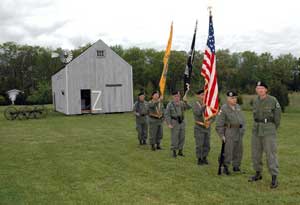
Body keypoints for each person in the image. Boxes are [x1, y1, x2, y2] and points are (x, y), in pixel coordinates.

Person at [248, 81, 281, 189]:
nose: (260, 90)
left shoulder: (273, 100)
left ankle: (274, 177)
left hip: (268, 130)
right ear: (256, 90)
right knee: (255, 153)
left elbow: (277, 117)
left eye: (262, 88)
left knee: (270, 154)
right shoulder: (255, 100)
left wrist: (272, 128)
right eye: (258, 88)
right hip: (256, 129)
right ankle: (258, 173)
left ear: (266, 90)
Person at [215, 91, 246, 175]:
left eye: (235, 98)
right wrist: (222, 135)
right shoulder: (224, 109)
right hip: (229, 131)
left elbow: (242, 119)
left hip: (238, 131)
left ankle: (236, 166)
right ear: (227, 98)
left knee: (238, 150)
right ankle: (225, 166)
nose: (234, 100)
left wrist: (243, 129)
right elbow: (219, 124)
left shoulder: (238, 107)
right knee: (228, 150)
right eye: (232, 98)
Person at [165, 90, 191, 158]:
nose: (177, 98)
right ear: (173, 97)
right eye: (175, 96)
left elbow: (189, 107)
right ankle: (174, 151)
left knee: (182, 136)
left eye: (178, 96)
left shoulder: (182, 103)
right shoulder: (170, 104)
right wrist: (169, 123)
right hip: (174, 122)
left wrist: (186, 101)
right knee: (175, 137)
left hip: (182, 121)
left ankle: (180, 151)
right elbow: (167, 114)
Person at [193, 89, 214, 165]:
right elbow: (198, 113)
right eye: (202, 95)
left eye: (205, 94)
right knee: (199, 144)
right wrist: (203, 106)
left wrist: (210, 122)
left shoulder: (209, 104)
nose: (204, 96)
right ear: (198, 96)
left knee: (207, 144)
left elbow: (213, 115)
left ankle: (205, 157)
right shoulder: (195, 104)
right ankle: (199, 158)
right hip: (199, 127)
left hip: (207, 127)